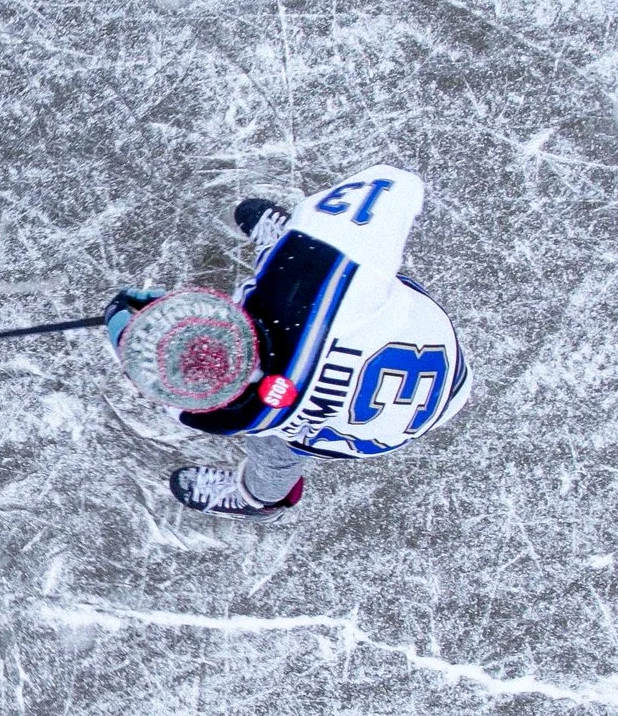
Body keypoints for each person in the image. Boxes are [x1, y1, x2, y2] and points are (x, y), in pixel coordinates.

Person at [106, 168, 471, 516]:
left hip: (382, 423)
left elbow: (159, 379)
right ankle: (282, 247)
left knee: (275, 452)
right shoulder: (310, 292)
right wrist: (311, 237)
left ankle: (261, 500)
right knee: (359, 278)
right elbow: (397, 185)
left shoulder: (225, 413)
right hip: (440, 360)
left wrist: (131, 336)